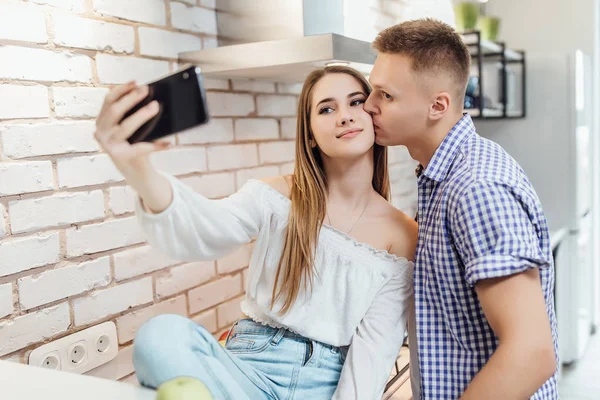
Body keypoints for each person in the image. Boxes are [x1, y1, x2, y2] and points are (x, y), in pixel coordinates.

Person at [93, 65, 418, 400]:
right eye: (327, 108)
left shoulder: (403, 234)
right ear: (309, 134)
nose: (345, 117)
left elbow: (373, 354)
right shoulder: (275, 197)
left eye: (356, 102)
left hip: (325, 386)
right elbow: (204, 228)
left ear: (373, 117)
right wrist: (138, 169)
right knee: (158, 336)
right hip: (247, 370)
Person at [364, 18, 559, 399]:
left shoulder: (476, 188)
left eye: (385, 95)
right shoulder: (441, 176)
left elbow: (532, 353)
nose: (369, 105)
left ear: (438, 105)